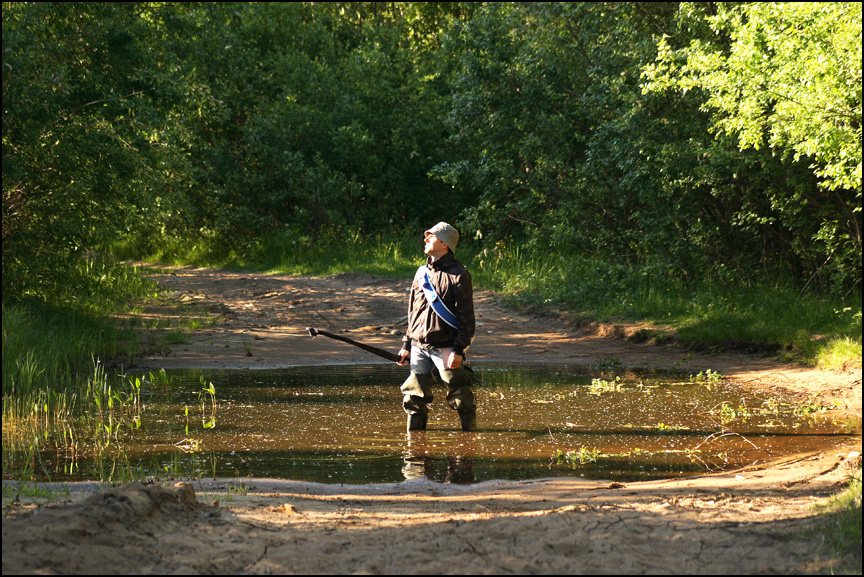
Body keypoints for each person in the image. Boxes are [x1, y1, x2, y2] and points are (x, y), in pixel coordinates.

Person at [397, 222, 477, 432]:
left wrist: (458, 350)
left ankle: (469, 445)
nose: (425, 239)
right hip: (418, 347)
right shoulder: (420, 273)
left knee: (461, 396)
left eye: (430, 237)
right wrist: (407, 344)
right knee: (414, 399)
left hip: (447, 348)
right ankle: (414, 449)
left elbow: (466, 318)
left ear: (444, 243)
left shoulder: (460, 274)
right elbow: (412, 312)